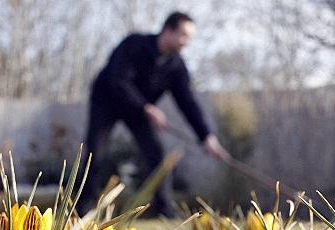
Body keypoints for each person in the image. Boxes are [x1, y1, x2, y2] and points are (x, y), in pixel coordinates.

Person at [80, 11, 228, 217]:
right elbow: (118, 80)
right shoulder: (134, 44)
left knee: (156, 154)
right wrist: (146, 108)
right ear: (168, 30)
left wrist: (206, 137)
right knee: (95, 151)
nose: (187, 42)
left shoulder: (176, 66)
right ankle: (82, 208)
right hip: (106, 101)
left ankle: (164, 211)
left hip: (138, 111)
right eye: (184, 35)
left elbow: (188, 102)